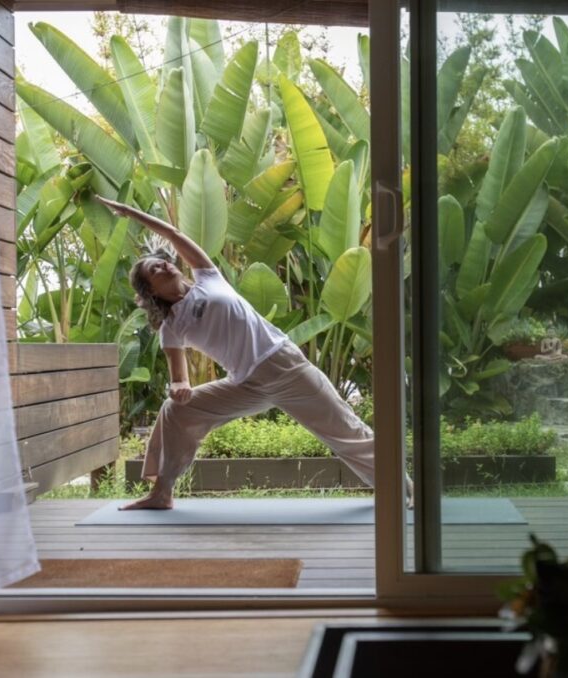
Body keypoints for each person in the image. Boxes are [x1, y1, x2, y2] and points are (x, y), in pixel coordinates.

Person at [94, 196, 411, 510]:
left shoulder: (208, 277)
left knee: (345, 430)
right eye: (156, 269)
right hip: (246, 384)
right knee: (176, 411)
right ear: (150, 290)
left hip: (284, 367)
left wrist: (128, 212)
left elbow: (174, 236)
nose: (165, 264)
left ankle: (405, 489)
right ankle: (162, 493)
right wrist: (178, 388)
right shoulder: (171, 327)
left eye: (163, 261)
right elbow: (180, 380)